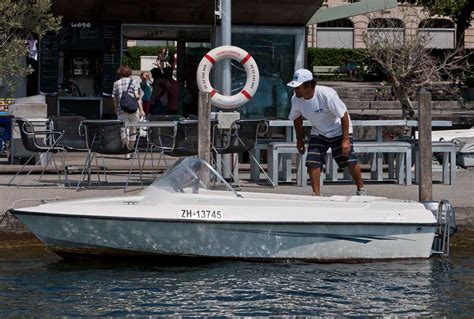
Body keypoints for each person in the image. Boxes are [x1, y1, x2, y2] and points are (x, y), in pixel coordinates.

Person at [287, 69, 366, 196]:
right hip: (319, 131)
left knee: (349, 160)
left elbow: (343, 115)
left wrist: (345, 139)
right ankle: (316, 195)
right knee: (312, 161)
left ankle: (361, 189)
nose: (295, 90)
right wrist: (299, 139)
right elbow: (297, 118)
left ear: (308, 86)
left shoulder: (326, 95)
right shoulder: (296, 99)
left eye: (298, 87)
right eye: (294, 87)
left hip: (339, 129)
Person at [112, 65, 145, 149]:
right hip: (133, 110)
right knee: (133, 130)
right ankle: (130, 149)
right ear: (129, 73)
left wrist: (115, 108)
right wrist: (141, 110)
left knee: (123, 129)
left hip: (121, 110)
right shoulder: (134, 82)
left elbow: (114, 98)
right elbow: (137, 97)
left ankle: (125, 148)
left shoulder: (115, 84)